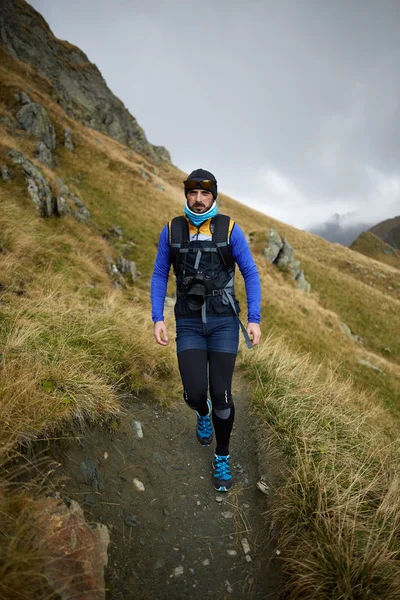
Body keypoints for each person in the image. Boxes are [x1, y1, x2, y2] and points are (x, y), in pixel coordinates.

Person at [151, 168, 261, 492]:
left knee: (222, 395)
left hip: (224, 320)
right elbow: (160, 274)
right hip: (188, 322)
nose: (198, 200)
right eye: (193, 193)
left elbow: (250, 273)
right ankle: (202, 413)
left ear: (214, 195)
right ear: (186, 194)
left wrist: (253, 319)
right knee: (195, 393)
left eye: (205, 193)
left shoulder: (230, 230)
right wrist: (157, 317)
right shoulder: (171, 230)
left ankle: (222, 455)